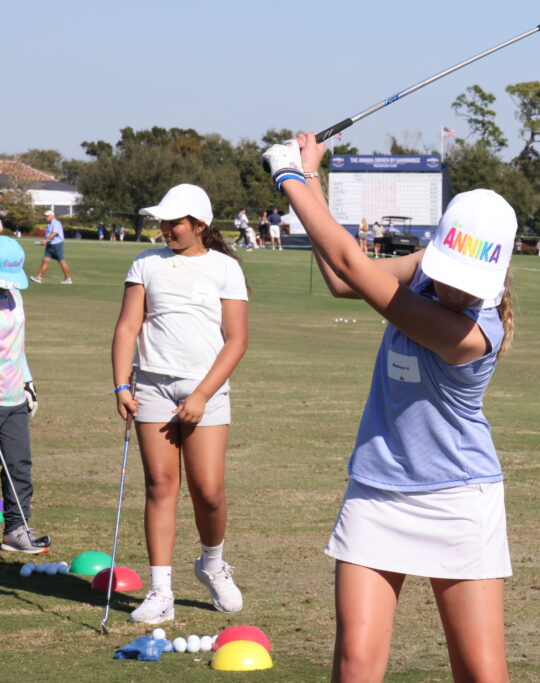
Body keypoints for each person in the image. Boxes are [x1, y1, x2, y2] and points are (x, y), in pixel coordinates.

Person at [263, 135, 516, 682]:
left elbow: (355, 266)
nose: (450, 289)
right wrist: (311, 174)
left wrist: (289, 177)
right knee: (355, 663)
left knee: (480, 672)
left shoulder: (472, 334)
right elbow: (340, 278)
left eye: (466, 283)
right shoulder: (429, 266)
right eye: (445, 271)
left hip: (457, 497)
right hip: (378, 491)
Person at [111, 183, 249, 625]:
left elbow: (237, 339)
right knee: (159, 486)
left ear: (200, 225)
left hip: (206, 391)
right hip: (151, 388)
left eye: (175, 222)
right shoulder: (145, 264)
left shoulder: (226, 268)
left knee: (208, 491)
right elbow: (127, 327)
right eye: (164, 222)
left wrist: (203, 395)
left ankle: (211, 563)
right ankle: (161, 591)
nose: (166, 229)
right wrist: (120, 386)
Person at [0, 237, 50, 555]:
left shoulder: (16, 296)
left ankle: (17, 529)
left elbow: (17, 344)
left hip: (13, 397)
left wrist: (28, 382)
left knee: (19, 465)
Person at [29, 210, 72, 284]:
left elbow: (54, 233)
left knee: (61, 261)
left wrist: (46, 240)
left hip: (57, 245)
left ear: (52, 216)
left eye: (47, 216)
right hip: (50, 245)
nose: (45, 217)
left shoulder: (56, 223)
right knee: (45, 260)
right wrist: (45, 241)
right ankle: (39, 277)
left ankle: (68, 279)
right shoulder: (49, 224)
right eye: (45, 216)